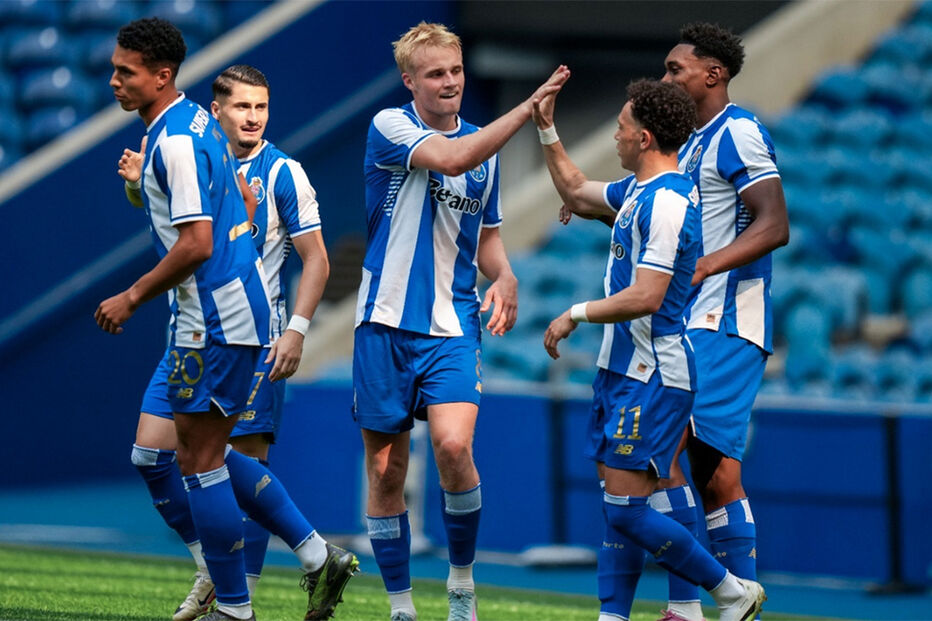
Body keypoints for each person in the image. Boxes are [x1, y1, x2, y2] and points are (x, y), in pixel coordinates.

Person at [101, 18, 354, 621]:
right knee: (163, 455)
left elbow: (196, 242)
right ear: (218, 107)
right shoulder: (192, 125)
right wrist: (144, 192)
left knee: (205, 462)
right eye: (241, 105)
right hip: (204, 319)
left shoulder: (191, 142)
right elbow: (213, 213)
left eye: (123, 71)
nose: (113, 81)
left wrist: (131, 295)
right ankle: (304, 559)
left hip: (220, 322)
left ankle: (236, 602)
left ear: (161, 76)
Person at [353, 21, 569, 621]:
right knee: (385, 467)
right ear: (410, 81)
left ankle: (461, 584)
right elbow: (452, 158)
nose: (449, 83)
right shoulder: (391, 126)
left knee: (452, 446)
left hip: (452, 326)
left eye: (455, 71)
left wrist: (505, 274)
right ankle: (400, 604)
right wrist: (528, 109)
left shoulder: (485, 152)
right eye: (434, 74)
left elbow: (487, 234)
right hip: (384, 322)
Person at [533, 78, 766, 621]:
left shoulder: (665, 202)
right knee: (625, 507)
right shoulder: (639, 191)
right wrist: (545, 126)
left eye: (618, 127)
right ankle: (624, 614)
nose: (613, 136)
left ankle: (730, 591)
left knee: (628, 511)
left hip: (652, 372)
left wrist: (575, 313)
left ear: (642, 137)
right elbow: (574, 190)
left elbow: (648, 295)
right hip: (620, 369)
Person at [651, 22, 790, 621]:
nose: (666, 79)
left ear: (714, 74)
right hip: (692, 319)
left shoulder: (738, 131)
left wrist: (707, 263)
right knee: (715, 477)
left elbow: (774, 224)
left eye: (675, 69)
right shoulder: (687, 143)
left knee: (661, 446)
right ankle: (738, 601)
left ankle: (687, 606)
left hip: (727, 319)